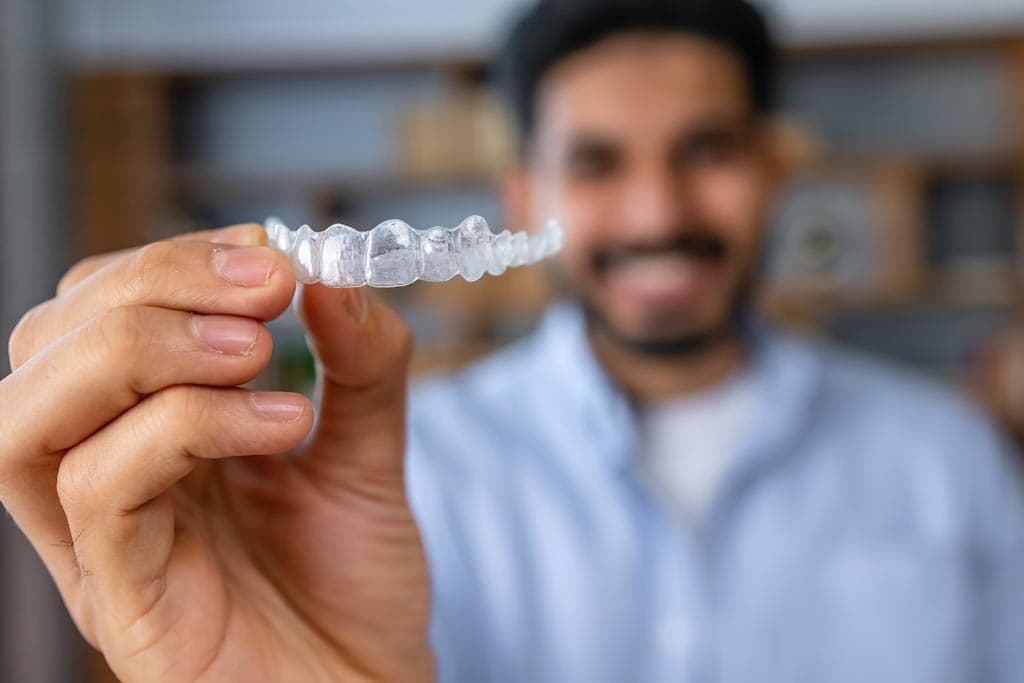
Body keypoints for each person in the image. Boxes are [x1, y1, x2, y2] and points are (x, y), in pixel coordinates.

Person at [0, 0, 1021, 681]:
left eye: (704, 151)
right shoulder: (389, 483)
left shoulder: (947, 459)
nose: (655, 210)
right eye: (597, 161)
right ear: (522, 195)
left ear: (771, 168)